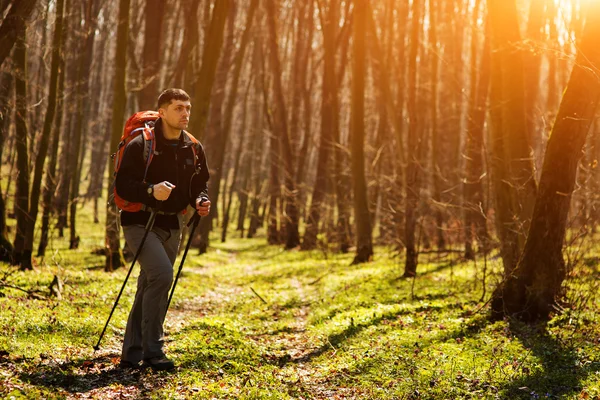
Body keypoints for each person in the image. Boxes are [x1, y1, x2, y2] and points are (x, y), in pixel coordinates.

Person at [115, 88, 210, 371]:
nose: (185, 114)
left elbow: (199, 183)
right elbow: (122, 185)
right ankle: (153, 351)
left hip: (173, 224)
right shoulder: (140, 144)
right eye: (179, 108)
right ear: (163, 112)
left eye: (188, 108)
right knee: (162, 275)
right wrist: (150, 190)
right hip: (138, 222)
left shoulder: (193, 147)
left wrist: (200, 200)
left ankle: (130, 354)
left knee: (149, 284)